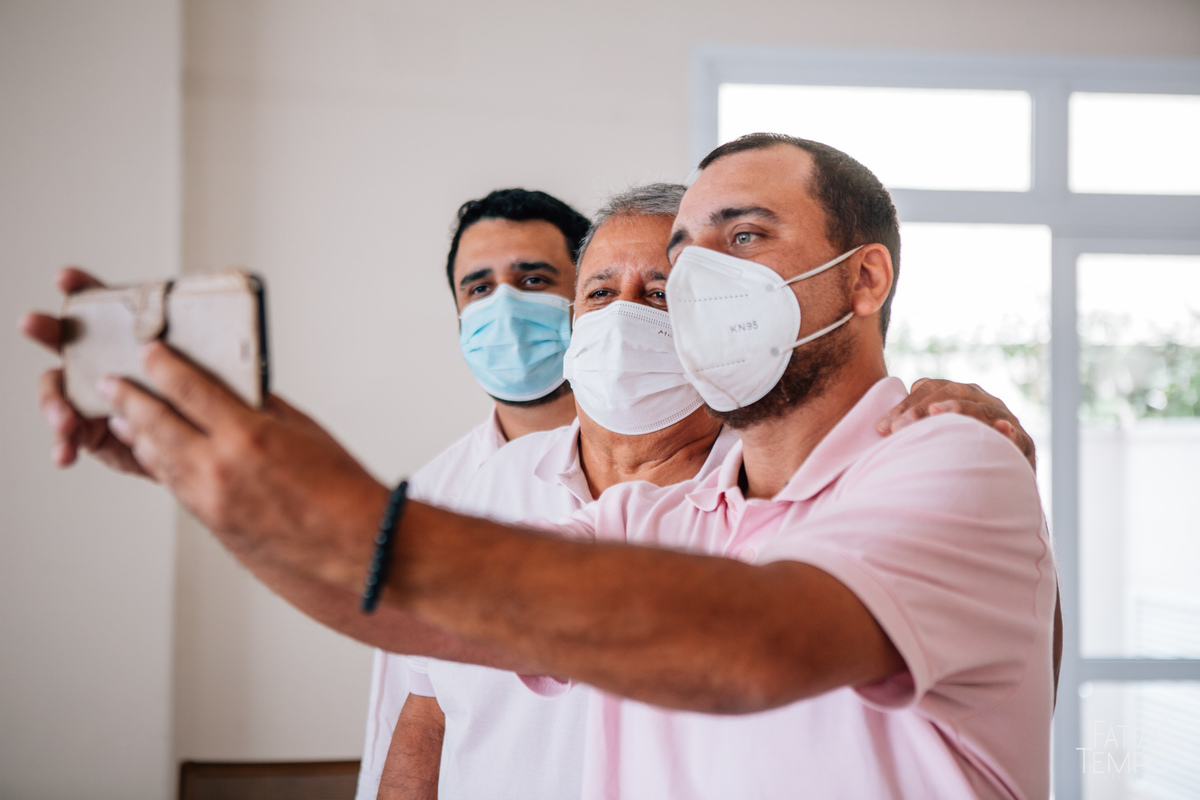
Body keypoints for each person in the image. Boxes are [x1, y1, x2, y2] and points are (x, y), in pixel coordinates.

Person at [44, 133, 1056, 797]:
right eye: (685, 253)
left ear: (865, 273)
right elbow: (408, 614)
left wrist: (338, 508)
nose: (695, 285)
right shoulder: (672, 519)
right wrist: (216, 468)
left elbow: (751, 646)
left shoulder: (952, 454)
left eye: (739, 238)